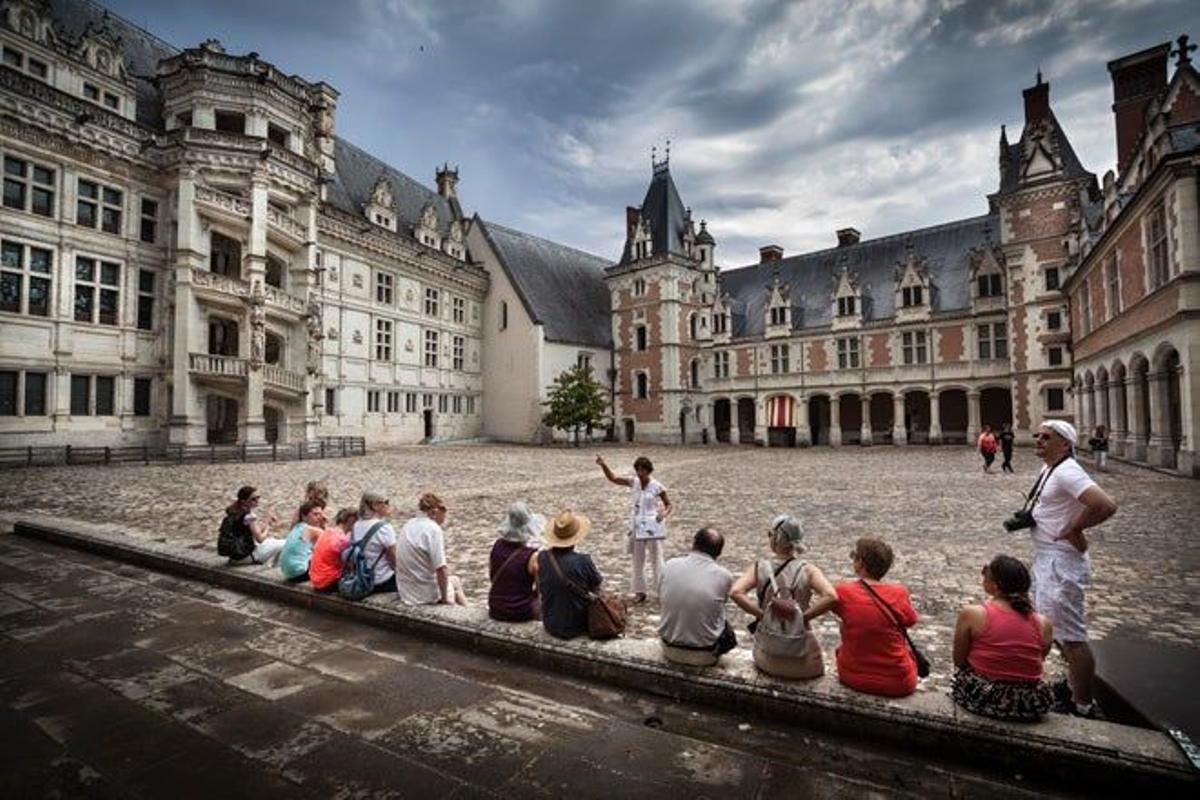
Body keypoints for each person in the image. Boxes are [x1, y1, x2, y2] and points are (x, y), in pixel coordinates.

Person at [1029, 420, 1117, 717]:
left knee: (1073, 637)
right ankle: (1071, 688)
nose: (1039, 441)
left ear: (1065, 444)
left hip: (1061, 561)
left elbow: (1105, 505)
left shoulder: (1068, 471)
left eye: (1046, 437)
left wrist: (1075, 528)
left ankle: (1082, 705)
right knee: (1054, 630)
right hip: (1048, 558)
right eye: (1038, 436)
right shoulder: (1050, 469)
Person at [730, 516, 835, 679]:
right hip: (804, 662)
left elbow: (736, 592)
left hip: (767, 658)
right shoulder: (808, 570)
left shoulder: (760, 567)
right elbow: (831, 596)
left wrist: (763, 615)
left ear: (776, 539)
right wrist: (802, 618)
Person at [952, 555, 1055, 721]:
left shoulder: (973, 614)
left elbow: (959, 661)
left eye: (986, 572)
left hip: (986, 698)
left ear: (995, 585)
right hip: (1028, 703)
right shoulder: (1043, 623)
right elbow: (1038, 658)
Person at [829, 537, 920, 697]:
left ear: (861, 563)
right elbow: (910, 620)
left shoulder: (844, 591)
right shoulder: (900, 593)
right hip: (898, 682)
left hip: (853, 676)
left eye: (853, 556)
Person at [596, 454, 673, 603]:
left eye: (643, 470)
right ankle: (640, 590)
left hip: (652, 524)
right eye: (638, 470)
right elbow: (613, 478)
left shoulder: (657, 486)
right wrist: (603, 465)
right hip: (637, 523)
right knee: (638, 558)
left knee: (656, 557)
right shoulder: (634, 482)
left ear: (649, 471)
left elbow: (669, 504)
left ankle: (661, 590)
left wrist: (664, 513)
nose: (640, 473)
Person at [658, 528, 737, 666]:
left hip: (668, 648)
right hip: (704, 654)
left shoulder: (670, 565)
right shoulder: (724, 576)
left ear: (694, 544)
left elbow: (661, 595)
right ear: (718, 553)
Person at [537, 510, 603, 640]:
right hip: (578, 625)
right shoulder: (583, 560)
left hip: (550, 622)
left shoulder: (542, 557)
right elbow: (597, 584)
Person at [396, 493, 467, 605]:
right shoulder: (433, 529)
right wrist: (444, 599)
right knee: (455, 583)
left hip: (407, 591)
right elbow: (441, 569)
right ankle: (466, 612)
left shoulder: (408, 524)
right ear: (435, 512)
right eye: (444, 513)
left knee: (453, 580)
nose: (444, 517)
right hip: (424, 594)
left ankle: (465, 610)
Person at [488, 501, 544, 622]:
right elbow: (541, 590)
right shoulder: (531, 556)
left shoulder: (497, 545)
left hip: (495, 607)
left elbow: (492, 576)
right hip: (519, 610)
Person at [349, 492, 399, 595]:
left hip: (362, 578)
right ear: (375, 506)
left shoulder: (356, 526)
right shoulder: (384, 528)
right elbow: (393, 558)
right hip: (381, 580)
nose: (388, 506)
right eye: (386, 502)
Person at [223, 485, 285, 566]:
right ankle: (276, 568)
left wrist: (267, 520)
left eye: (257, 497)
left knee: (272, 540)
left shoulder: (235, 512)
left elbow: (257, 530)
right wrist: (268, 527)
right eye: (253, 499)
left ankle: (270, 565)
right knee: (286, 544)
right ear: (243, 501)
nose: (257, 501)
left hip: (236, 556)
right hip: (246, 557)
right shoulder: (249, 516)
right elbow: (260, 539)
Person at [309, 508, 357, 593]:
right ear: (351, 521)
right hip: (327, 582)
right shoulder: (343, 540)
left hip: (315, 579)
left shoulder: (327, 532)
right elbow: (350, 564)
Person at [278, 501, 327, 582]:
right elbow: (332, 541)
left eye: (320, 514)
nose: (319, 517)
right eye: (315, 514)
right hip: (299, 573)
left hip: (287, 572)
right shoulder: (311, 530)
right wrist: (324, 525)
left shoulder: (297, 527)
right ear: (304, 516)